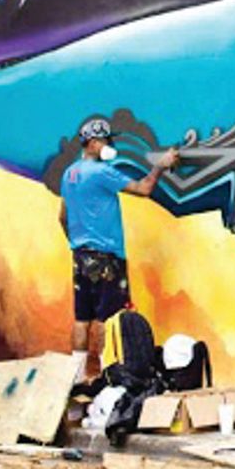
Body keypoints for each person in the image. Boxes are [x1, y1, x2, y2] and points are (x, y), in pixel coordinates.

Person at [59, 117, 179, 381]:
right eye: (105, 141)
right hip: (108, 258)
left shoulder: (69, 174)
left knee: (82, 319)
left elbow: (62, 217)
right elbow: (144, 189)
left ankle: (75, 378)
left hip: (80, 257)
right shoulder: (101, 172)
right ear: (92, 143)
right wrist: (160, 165)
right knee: (109, 319)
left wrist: (78, 244)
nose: (109, 146)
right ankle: (108, 375)